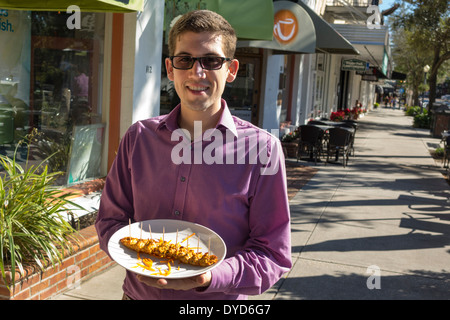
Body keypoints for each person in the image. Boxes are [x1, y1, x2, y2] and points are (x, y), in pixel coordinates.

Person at [95, 9, 292, 300]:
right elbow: (110, 220)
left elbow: (272, 253)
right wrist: (131, 256)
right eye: (185, 59)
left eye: (211, 60)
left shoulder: (262, 150)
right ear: (170, 68)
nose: (196, 72)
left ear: (232, 69)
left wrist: (210, 277)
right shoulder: (138, 138)